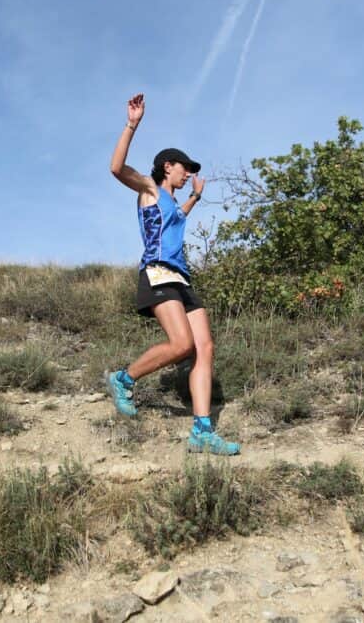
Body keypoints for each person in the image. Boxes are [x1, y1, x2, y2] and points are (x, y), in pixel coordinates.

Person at [106, 93, 240, 455]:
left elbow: (178, 216)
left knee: (204, 347)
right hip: (157, 274)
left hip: (181, 280)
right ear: (168, 166)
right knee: (182, 344)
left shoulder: (174, 203)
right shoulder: (149, 190)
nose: (189, 173)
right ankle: (123, 378)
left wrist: (195, 197)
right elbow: (117, 168)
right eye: (185, 168)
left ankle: (202, 430)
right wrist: (132, 124)